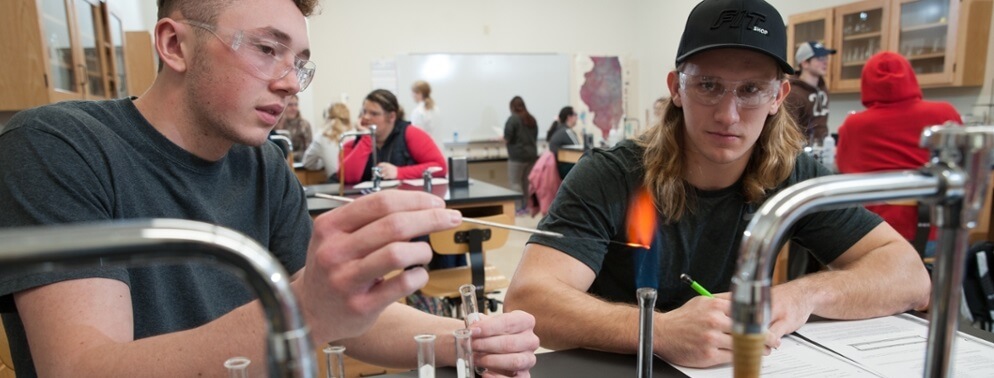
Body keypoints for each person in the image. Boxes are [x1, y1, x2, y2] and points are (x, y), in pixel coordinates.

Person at [0, 1, 538, 376]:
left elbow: (342, 315)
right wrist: (304, 310)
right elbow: (80, 369)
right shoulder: (59, 148)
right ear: (174, 44)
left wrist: (470, 339)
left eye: (299, 63)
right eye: (266, 49)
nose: (288, 81)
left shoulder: (262, 164)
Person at [504, 0, 930, 369]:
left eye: (750, 90)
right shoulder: (610, 175)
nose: (728, 115)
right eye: (708, 85)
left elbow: (910, 276)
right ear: (677, 89)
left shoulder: (791, 175)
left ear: (778, 97)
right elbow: (529, 300)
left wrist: (802, 296)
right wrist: (661, 329)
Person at [836, 51, 962, 254]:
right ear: (910, 78)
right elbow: (961, 167)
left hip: (876, 236)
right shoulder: (945, 113)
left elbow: (844, 170)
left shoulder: (854, 124)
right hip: (936, 234)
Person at [339, 89, 448, 184]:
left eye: (374, 114)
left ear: (391, 117)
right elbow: (346, 178)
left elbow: (439, 167)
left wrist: (399, 172)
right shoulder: (352, 143)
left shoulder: (411, 134)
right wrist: (367, 138)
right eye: (364, 112)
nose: (366, 117)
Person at [785, 41, 836, 146]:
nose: (825, 62)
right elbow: (788, 132)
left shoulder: (822, 87)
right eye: (820, 59)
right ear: (805, 63)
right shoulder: (793, 93)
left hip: (822, 148)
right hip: (802, 152)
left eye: (826, 58)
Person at [504, 96, 539, 213]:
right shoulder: (531, 119)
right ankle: (527, 206)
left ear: (512, 107)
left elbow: (507, 138)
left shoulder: (513, 119)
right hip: (531, 156)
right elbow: (534, 137)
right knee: (526, 183)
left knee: (515, 182)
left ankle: (518, 208)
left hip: (517, 157)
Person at [302, 102, 352, 180]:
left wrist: (324, 162)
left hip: (336, 182)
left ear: (326, 116)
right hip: (359, 181)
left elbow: (307, 163)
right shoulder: (356, 133)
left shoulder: (321, 136)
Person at [274, 93, 313, 161]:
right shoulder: (275, 123)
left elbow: (308, 151)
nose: (294, 108)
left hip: (299, 164)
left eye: (296, 105)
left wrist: (290, 156)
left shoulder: (304, 125)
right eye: (290, 105)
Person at [546, 106, 580, 179]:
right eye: (575, 114)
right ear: (569, 117)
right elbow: (579, 151)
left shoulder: (558, 130)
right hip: (564, 168)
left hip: (557, 168)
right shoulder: (567, 131)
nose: (577, 117)